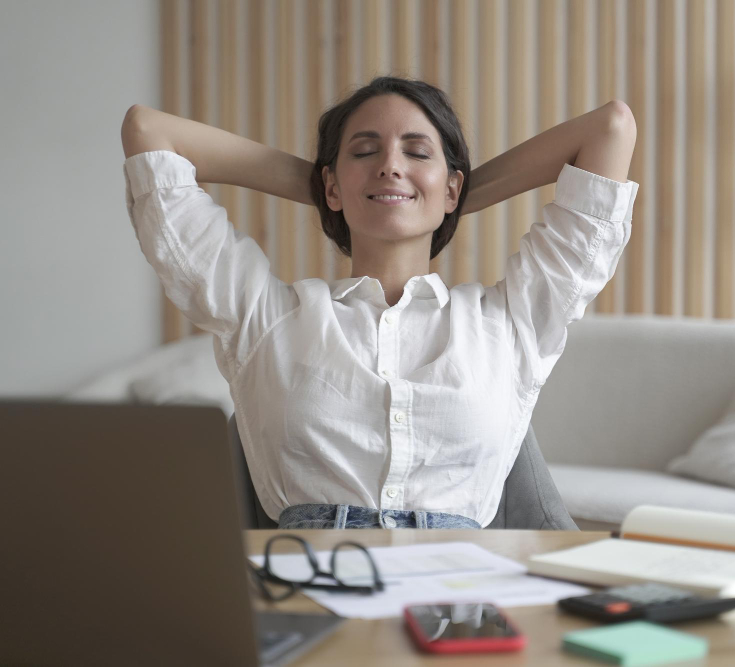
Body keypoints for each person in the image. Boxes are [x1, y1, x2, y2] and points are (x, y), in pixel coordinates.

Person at [121, 75, 638, 531]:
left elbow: (609, 129)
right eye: (365, 152)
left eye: (417, 152)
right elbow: (149, 133)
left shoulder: (510, 324)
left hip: (458, 597)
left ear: (454, 187)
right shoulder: (265, 317)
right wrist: (355, 191)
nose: (390, 165)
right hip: (310, 590)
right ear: (330, 184)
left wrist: (429, 198)